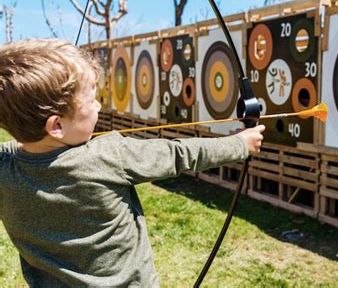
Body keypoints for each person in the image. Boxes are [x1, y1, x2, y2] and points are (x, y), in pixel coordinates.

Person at [0, 39, 265, 287]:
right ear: (56, 125)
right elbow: (178, 154)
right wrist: (240, 144)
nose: (98, 107)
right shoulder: (107, 156)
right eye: (91, 100)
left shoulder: (5, 169)